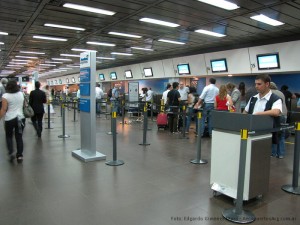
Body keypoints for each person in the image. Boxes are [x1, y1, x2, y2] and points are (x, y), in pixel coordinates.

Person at [244, 74, 282, 153]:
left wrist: (258, 114)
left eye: (259, 84)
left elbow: (276, 112)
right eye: (255, 84)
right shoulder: (253, 98)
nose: (256, 86)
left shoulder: (276, 99)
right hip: (251, 133)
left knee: (264, 159)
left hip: (266, 135)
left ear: (267, 84)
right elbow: (245, 112)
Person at [0, 80, 25, 162]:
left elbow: (3, 109)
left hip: (9, 118)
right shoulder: (21, 94)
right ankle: (20, 156)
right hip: (20, 118)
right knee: (19, 137)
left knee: (9, 136)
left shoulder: (5, 96)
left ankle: (11, 153)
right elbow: (23, 105)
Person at [270, 82, 287, 159]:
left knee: (274, 134)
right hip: (284, 115)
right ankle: (281, 154)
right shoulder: (281, 93)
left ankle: (273, 153)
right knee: (281, 136)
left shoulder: (270, 93)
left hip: (276, 116)